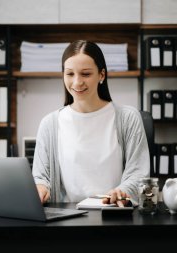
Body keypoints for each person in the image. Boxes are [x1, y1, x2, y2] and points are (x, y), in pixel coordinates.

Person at [32, 40, 150, 207]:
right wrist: (41, 188)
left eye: (86, 74)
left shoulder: (128, 118)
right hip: (69, 218)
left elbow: (138, 174)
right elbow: (41, 177)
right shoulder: (49, 124)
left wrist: (122, 191)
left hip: (114, 214)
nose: (77, 82)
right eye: (70, 74)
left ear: (102, 75)